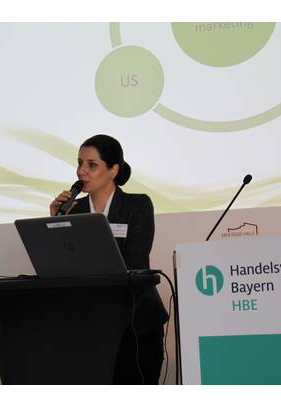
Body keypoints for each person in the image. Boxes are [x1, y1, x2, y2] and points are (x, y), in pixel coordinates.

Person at [49, 134, 169, 384]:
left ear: (113, 169)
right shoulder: (74, 210)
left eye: (91, 165)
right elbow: (61, 266)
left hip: (136, 323)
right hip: (91, 325)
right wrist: (56, 221)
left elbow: (135, 261)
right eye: (80, 163)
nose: (81, 171)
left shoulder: (137, 205)